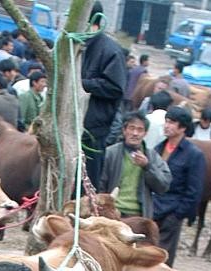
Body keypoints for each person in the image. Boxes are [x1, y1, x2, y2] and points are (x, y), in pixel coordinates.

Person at [152, 105, 205, 267]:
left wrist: (178, 215)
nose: (167, 125)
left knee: (163, 260)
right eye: (166, 121)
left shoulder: (193, 155)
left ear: (182, 127)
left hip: (171, 211)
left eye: (172, 122)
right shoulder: (158, 148)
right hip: (153, 209)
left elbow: (194, 191)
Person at [81, 1, 127, 187]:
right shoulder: (76, 45)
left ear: (96, 21)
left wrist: (83, 84)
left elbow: (115, 88)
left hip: (93, 131)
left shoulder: (110, 50)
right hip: (69, 127)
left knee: (86, 184)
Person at [99, 112, 170, 218]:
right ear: (124, 130)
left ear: (145, 133)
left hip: (139, 214)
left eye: (140, 130)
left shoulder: (151, 156)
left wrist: (147, 166)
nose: (135, 133)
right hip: (113, 211)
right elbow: (100, 184)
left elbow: (163, 186)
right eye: (131, 128)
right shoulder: (110, 153)